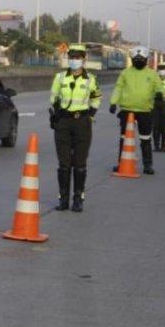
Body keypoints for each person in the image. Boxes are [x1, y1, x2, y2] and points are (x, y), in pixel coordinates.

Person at [49, 45, 102, 212]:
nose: (74, 60)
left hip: (82, 122)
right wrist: (57, 111)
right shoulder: (60, 78)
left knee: (80, 163)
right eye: (72, 57)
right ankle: (63, 199)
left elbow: (96, 98)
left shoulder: (90, 79)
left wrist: (90, 116)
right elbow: (53, 96)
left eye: (78, 57)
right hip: (63, 122)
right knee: (63, 163)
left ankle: (78, 199)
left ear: (84, 59)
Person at [109, 46, 161, 174]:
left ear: (146, 59)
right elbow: (118, 88)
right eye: (136, 59)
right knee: (124, 139)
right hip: (127, 110)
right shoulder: (125, 73)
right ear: (132, 59)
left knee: (145, 139)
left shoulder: (152, 74)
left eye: (141, 59)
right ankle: (121, 163)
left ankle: (147, 165)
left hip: (145, 111)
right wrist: (113, 102)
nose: (139, 61)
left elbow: (158, 87)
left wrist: (160, 93)